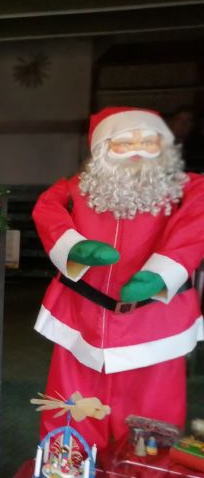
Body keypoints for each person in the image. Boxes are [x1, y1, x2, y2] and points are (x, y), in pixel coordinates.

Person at [33, 106, 204, 448]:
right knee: (72, 408)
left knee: (151, 419)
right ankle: (69, 466)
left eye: (148, 140)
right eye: (125, 143)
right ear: (103, 149)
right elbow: (47, 208)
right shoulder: (77, 188)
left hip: (156, 325)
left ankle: (145, 470)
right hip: (81, 318)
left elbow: (197, 223)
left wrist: (162, 273)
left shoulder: (189, 189)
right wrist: (75, 247)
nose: (138, 149)